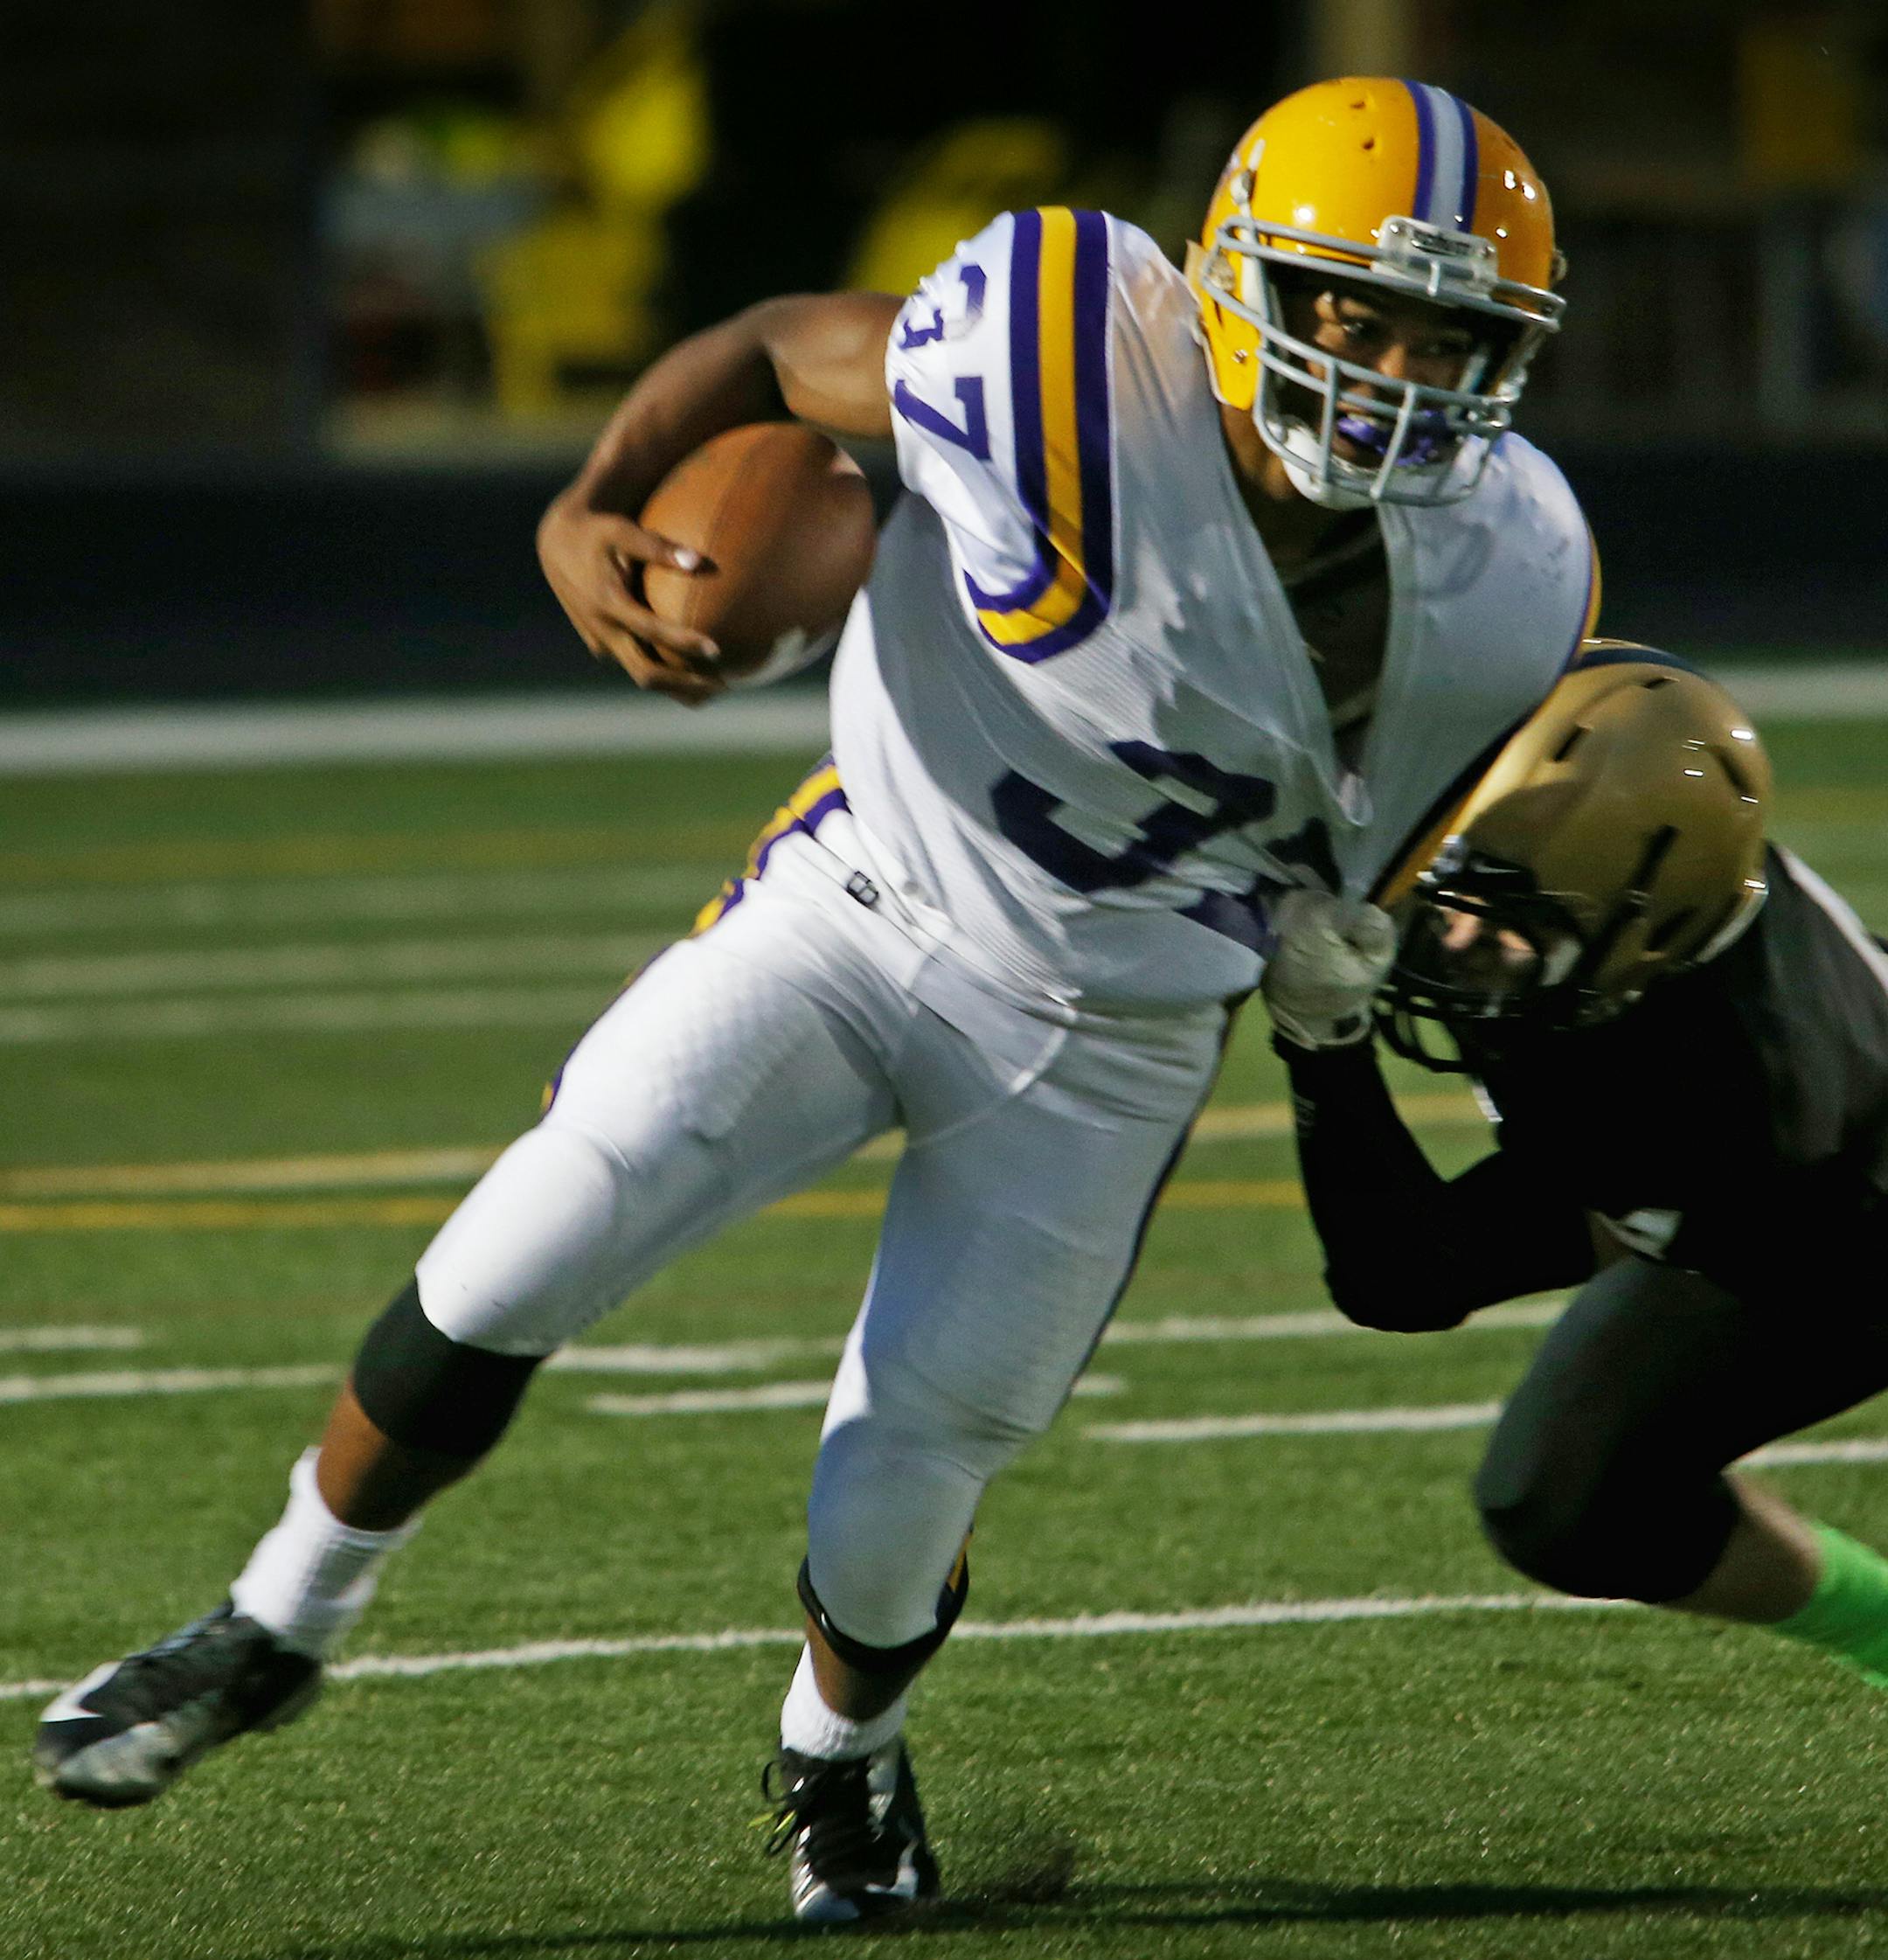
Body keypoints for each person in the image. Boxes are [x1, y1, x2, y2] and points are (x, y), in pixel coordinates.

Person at [36, 78, 1597, 1921]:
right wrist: (598, 497)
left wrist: (1388, 968)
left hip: (1108, 1029)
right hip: (865, 893)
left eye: (1449, 333)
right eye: (1353, 307)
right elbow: (776, 350)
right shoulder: (1062, 349)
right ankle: (275, 1617)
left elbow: (1419, 875)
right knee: (526, 1238)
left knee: (901, 1473)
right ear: (1239, 276)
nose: (1398, 370)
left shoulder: (1509, 578)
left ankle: (839, 1759)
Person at [1261, 645, 1888, 1695]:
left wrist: (1323, 1045)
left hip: (1840, 1220)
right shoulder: (1629, 883)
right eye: (1447, 890)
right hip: (1772, 1140)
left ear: (1651, 927)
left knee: (1576, 1500)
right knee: (1554, 1507)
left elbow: (1405, 1276)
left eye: (1504, 921)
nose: (1449, 936)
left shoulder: (1714, 1100)